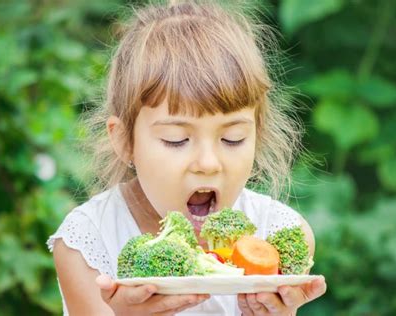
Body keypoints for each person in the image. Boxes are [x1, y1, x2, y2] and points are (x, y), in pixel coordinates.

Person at [47, 1, 327, 315]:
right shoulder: (88, 242)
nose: (208, 163)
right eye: (177, 140)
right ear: (125, 141)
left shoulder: (276, 235)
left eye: (232, 138)